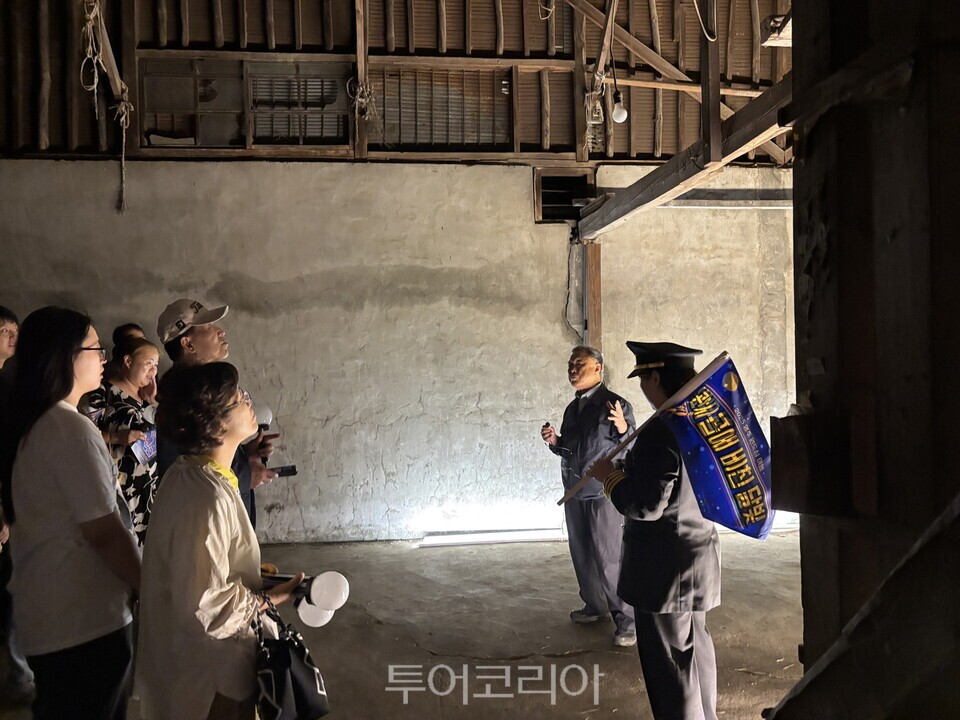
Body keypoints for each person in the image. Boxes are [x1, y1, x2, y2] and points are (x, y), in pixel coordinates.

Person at [137, 362, 304, 720]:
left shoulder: (190, 471)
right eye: (239, 398)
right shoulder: (206, 497)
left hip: (202, 661)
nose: (248, 401)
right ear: (215, 424)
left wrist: (252, 575)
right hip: (213, 671)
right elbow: (206, 602)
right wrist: (271, 598)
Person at [0, 307, 140, 720]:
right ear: (64, 357)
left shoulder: (40, 423)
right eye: (96, 348)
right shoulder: (68, 429)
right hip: (83, 622)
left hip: (55, 617)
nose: (103, 358)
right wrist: (147, 587)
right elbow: (104, 532)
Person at [588, 341, 721, 720]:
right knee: (696, 655)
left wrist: (609, 477)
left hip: (665, 571)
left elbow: (646, 506)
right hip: (697, 559)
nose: (644, 388)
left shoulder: (661, 430)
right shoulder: (703, 420)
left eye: (644, 379)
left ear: (656, 378)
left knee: (673, 671)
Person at [541, 345, 637, 647]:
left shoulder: (615, 404)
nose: (572, 369)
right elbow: (571, 448)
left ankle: (627, 621)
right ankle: (595, 606)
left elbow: (631, 446)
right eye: (570, 363)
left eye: (579, 363)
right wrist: (556, 442)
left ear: (598, 368)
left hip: (603, 493)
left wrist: (624, 427)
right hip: (574, 491)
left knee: (609, 558)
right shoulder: (573, 409)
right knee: (582, 554)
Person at [155, 299, 277, 528]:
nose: (220, 331)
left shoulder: (210, 389)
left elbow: (209, 450)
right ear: (188, 343)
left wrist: (243, 452)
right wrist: (245, 476)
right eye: (209, 327)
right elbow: (183, 474)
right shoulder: (180, 401)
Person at [0, 305, 33, 702]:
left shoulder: (11, 381)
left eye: (15, 330)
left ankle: (19, 673)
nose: (13, 337)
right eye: (4, 331)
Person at [103, 337, 161, 545]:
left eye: (156, 365)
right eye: (148, 363)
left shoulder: (145, 396)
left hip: (147, 485)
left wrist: (151, 402)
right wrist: (116, 437)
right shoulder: (104, 393)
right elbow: (85, 435)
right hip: (120, 485)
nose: (153, 370)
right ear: (128, 361)